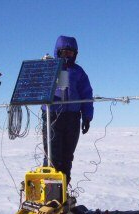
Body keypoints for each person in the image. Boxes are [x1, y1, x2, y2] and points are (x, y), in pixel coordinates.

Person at [42, 35, 94, 183]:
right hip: (51, 117)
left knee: (67, 156)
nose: (67, 56)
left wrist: (87, 116)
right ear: (57, 51)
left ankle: (64, 190)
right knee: (53, 156)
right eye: (64, 52)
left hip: (72, 117)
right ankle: (50, 191)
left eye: (71, 53)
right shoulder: (49, 68)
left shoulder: (78, 71)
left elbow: (86, 94)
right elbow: (38, 87)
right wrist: (45, 67)